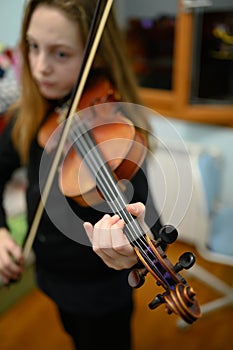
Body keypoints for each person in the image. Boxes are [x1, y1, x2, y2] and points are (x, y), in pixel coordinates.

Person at [0, 1, 163, 349]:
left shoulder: (115, 128)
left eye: (61, 54)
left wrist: (134, 249)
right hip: (50, 275)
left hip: (101, 292)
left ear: (97, 57)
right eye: (32, 47)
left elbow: (149, 215)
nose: (40, 67)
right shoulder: (24, 116)